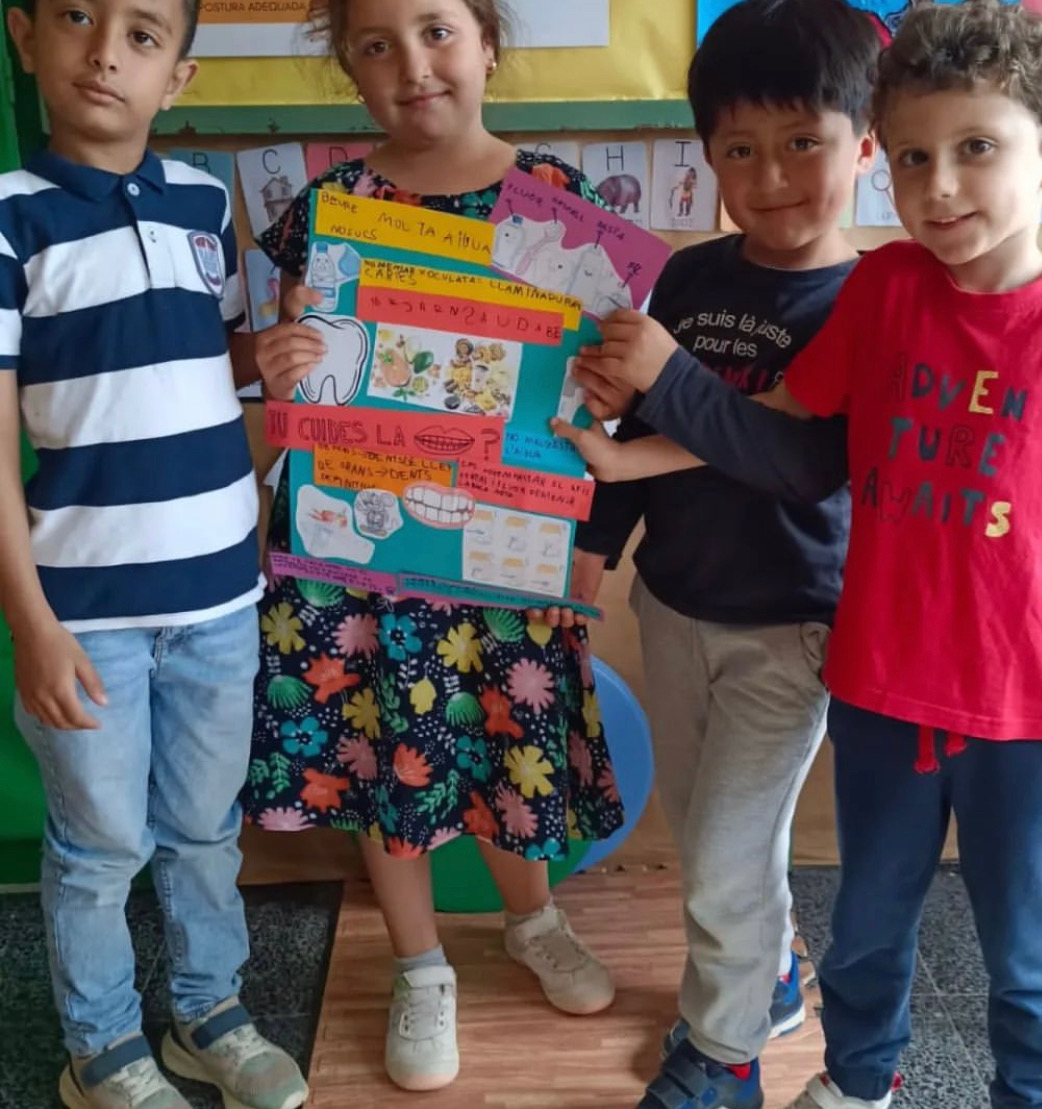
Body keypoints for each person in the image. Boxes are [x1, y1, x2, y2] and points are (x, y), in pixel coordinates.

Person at [558, 3, 1042, 1107]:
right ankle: (860, 1079)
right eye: (914, 157)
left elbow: (782, 451)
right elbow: (775, 418)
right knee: (864, 927)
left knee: (1023, 953)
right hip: (877, 690)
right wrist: (621, 465)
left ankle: (1038, 1093)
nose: (940, 186)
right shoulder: (886, 288)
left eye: (976, 148)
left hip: (1018, 711)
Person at [245, 0, 623, 1094]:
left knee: (509, 734)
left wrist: (602, 399)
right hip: (356, 545)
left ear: (488, 45)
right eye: (376, 45)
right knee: (381, 746)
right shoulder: (329, 211)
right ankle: (419, 966)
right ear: (350, 70)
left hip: (504, 541)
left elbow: (593, 382)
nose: (412, 64)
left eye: (437, 30)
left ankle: (533, 920)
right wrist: (284, 362)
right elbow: (305, 372)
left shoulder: (558, 202)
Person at [0, 2, 309, 1108]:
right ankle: (101, 1050)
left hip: (221, 595)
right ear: (25, 37)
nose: (104, 53)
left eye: (141, 35)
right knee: (98, 846)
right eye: (78, 18)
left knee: (204, 829)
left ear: (177, 77)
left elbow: (202, 358)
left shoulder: (201, 202)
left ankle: (208, 1012)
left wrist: (268, 352)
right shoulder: (11, 217)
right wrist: (32, 624)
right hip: (86, 614)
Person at [570, 3, 878, 1107]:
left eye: (803, 141)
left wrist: (669, 374)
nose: (772, 175)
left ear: (865, 146)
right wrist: (592, 556)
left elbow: (800, 462)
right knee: (711, 833)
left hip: (792, 625)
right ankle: (771, 973)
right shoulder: (689, 281)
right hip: (674, 602)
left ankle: (725, 1051)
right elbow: (632, 432)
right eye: (738, 149)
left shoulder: (870, 301)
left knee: (725, 854)